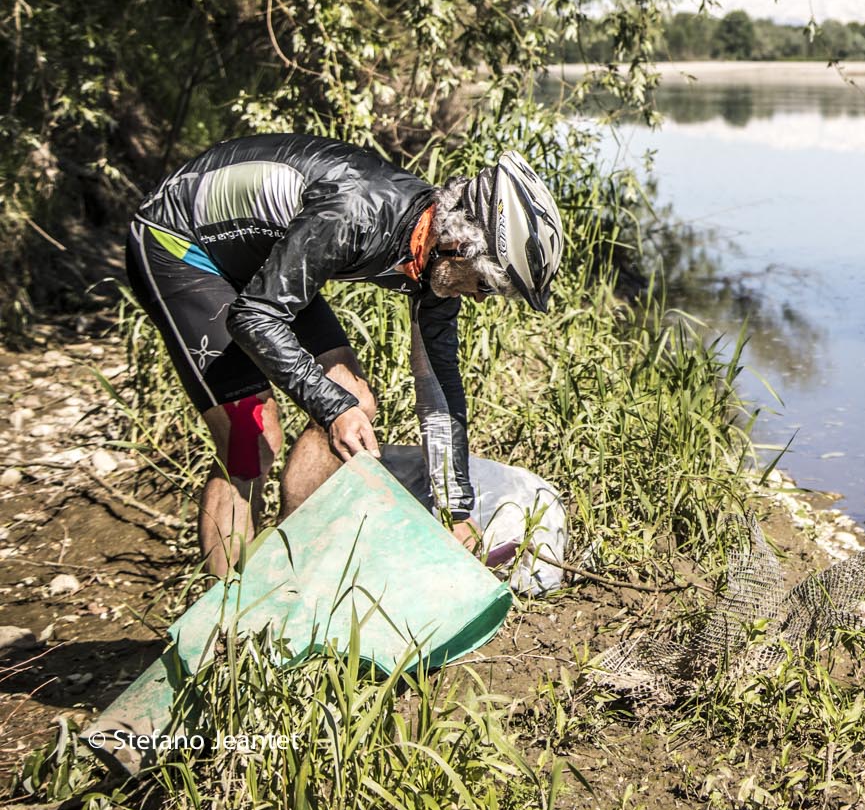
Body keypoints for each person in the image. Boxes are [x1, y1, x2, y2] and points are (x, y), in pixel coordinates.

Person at [124, 134, 565, 577]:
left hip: (259, 255)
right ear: (459, 245)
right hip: (181, 244)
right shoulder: (354, 212)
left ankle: (286, 571)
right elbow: (254, 319)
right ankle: (226, 607)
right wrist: (332, 409)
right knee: (251, 434)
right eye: (486, 284)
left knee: (354, 399)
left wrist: (456, 510)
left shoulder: (434, 256)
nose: (482, 297)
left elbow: (440, 391)